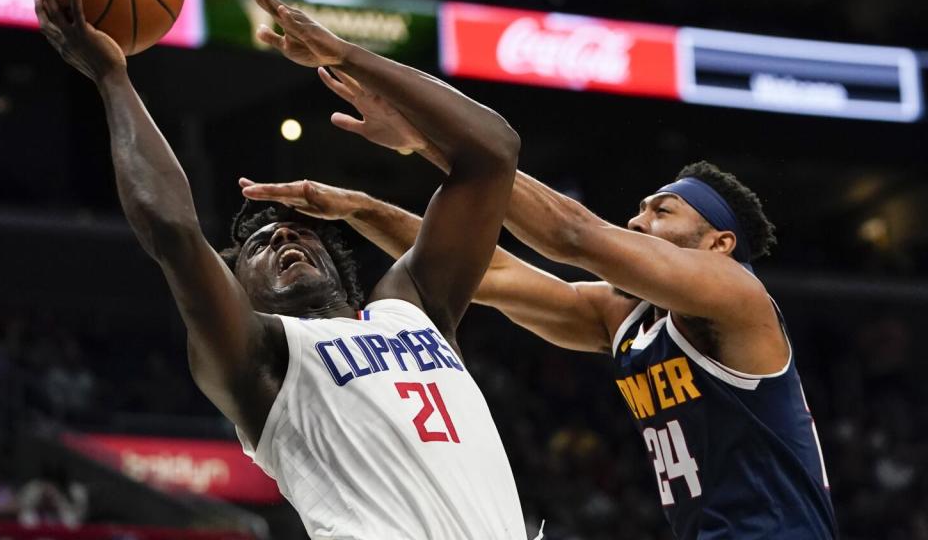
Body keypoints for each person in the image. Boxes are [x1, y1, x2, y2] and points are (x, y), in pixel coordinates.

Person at [34, 0, 534, 540]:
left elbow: (494, 153)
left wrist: (346, 55)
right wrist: (111, 77)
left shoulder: (412, 307)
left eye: (296, 233)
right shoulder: (262, 359)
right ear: (237, 293)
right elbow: (173, 230)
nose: (282, 238)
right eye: (257, 246)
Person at [241, 72, 837, 539]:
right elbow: (490, 272)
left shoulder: (736, 298)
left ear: (718, 245)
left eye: (662, 211)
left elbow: (571, 234)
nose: (637, 220)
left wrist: (432, 139)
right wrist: (362, 209)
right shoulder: (623, 318)